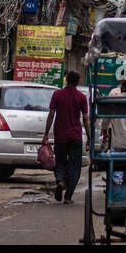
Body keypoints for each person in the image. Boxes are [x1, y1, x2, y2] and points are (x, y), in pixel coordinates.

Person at [42, 70, 90, 204]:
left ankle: (60, 181)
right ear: (78, 82)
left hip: (60, 135)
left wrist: (46, 134)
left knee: (60, 161)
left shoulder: (57, 94)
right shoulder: (81, 97)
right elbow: (86, 118)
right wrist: (90, 137)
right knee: (75, 165)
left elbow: (51, 114)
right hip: (75, 136)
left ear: (66, 80)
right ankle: (68, 196)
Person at [103, 77, 126, 185]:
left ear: (122, 87)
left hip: (117, 142)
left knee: (116, 166)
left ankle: (117, 182)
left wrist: (104, 130)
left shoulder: (114, 100)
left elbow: (106, 118)